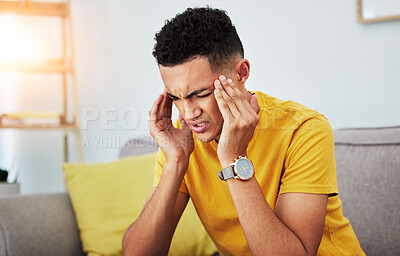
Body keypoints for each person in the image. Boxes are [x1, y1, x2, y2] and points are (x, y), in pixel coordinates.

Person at [122, 7, 365, 256]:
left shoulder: (304, 130)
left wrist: (234, 159)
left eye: (201, 94)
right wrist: (175, 162)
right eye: (176, 97)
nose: (187, 113)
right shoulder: (183, 140)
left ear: (241, 73)